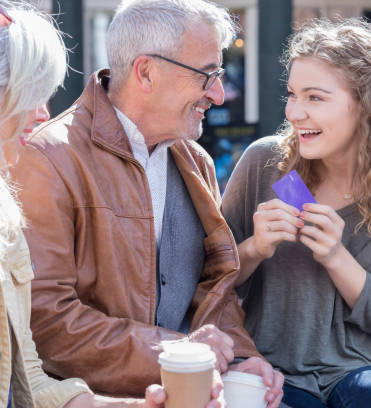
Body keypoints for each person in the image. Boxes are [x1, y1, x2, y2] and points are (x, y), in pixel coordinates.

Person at [8, 0, 283, 405]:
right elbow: (46, 321)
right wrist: (179, 353)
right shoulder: (46, 156)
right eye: (207, 75)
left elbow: (213, 293)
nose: (220, 94)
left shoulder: (197, 161)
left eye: (219, 75)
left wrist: (241, 357)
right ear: (146, 72)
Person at [222, 19, 371, 408]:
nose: (295, 112)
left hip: (361, 369)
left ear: (365, 104)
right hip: (272, 369)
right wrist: (255, 248)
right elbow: (211, 283)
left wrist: (336, 257)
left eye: (315, 97)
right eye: (292, 95)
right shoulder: (265, 163)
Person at [0, 2, 175, 406]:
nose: (43, 112)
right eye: (31, 93)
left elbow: (29, 383)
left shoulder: (8, 215)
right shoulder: (48, 159)